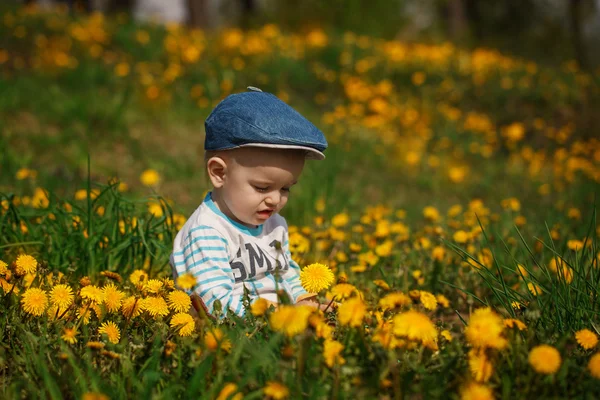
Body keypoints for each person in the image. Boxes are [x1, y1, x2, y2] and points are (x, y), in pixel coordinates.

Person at [170, 86, 329, 319]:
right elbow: (214, 301)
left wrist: (304, 300)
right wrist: (283, 314)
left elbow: (286, 273)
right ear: (219, 173)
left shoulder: (274, 224)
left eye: (285, 188)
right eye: (262, 187)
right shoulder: (207, 232)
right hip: (234, 335)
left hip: (277, 324)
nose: (275, 199)